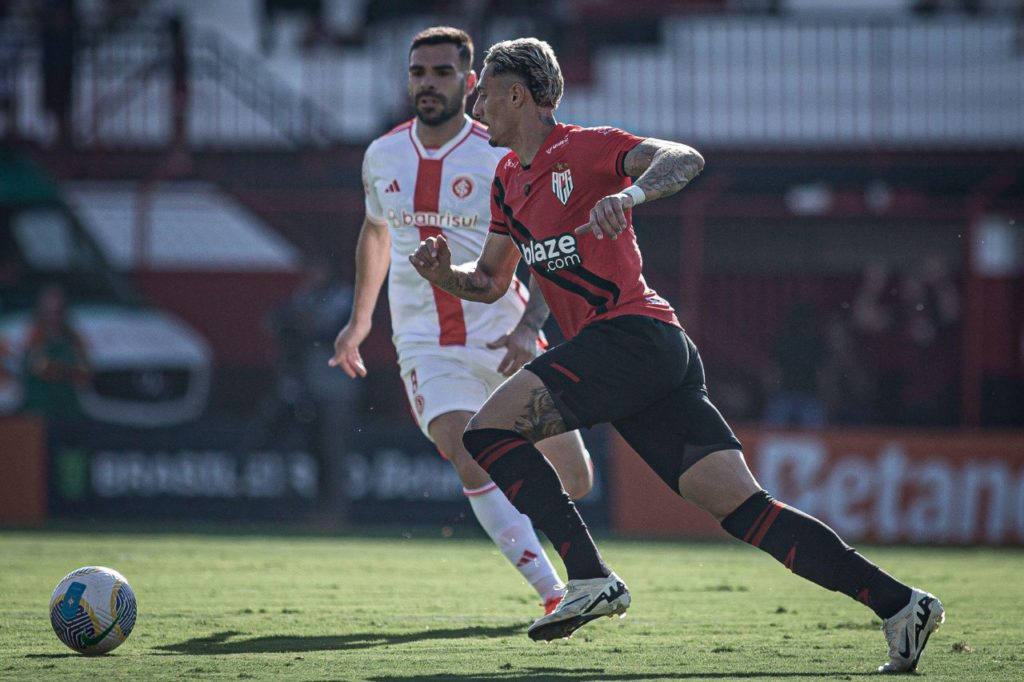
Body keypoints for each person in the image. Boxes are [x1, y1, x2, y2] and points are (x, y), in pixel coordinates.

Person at [409, 37, 944, 674]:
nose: (476, 103)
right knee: (745, 510)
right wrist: (444, 274)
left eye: (486, 92)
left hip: (631, 337)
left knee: (489, 430)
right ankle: (901, 605)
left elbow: (682, 158)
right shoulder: (505, 180)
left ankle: (587, 576)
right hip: (646, 355)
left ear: (518, 95)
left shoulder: (583, 148)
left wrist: (629, 197)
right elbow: (492, 280)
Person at [329, 26, 593, 615]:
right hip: (426, 343)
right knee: (464, 445)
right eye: (418, 72)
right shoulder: (382, 154)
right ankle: (557, 592)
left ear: (471, 83)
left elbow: (547, 241)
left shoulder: (500, 151)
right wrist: (360, 320)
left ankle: (528, 529)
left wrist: (530, 328)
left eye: (442, 72)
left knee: (575, 482)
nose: (428, 83)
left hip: (507, 336)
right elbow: (376, 232)